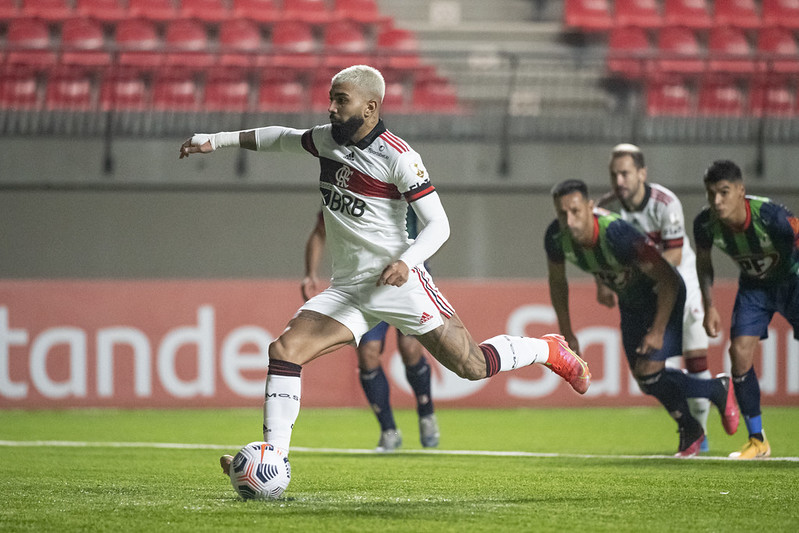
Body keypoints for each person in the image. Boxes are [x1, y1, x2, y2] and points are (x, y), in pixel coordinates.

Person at [179, 65, 591, 470]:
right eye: (331, 100)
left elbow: (440, 225)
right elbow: (280, 138)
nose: (331, 108)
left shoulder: (399, 157)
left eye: (341, 100)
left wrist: (406, 262)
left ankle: (547, 349)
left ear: (370, 107)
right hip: (349, 288)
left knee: (472, 366)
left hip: (398, 284)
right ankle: (273, 460)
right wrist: (216, 140)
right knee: (284, 351)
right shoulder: (326, 140)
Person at [545, 179, 739, 457]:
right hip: (631, 302)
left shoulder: (619, 235)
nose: (569, 221)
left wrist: (658, 330)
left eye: (575, 211)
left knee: (649, 371)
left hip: (663, 295)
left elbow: (668, 279)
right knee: (645, 379)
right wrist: (567, 332)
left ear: (590, 207)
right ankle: (698, 417)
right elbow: (557, 283)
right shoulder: (555, 237)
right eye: (562, 213)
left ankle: (708, 402)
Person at [596, 143, 715, 452]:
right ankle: (709, 401)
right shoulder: (610, 209)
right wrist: (604, 282)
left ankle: (700, 434)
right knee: (649, 372)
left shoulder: (665, 203)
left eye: (625, 173)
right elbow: (598, 247)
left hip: (681, 280)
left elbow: (672, 258)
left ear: (642, 173)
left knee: (695, 357)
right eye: (614, 174)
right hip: (650, 288)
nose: (619, 181)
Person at [301, 210, 440, 451]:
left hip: (407, 274)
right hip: (366, 279)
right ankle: (388, 430)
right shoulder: (342, 193)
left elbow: (435, 223)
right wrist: (310, 274)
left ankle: (426, 413)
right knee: (367, 353)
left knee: (410, 349)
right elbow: (320, 231)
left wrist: (416, 258)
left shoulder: (401, 189)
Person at [694, 160, 799, 459]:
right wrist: (709, 306)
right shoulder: (705, 224)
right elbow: (704, 262)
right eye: (711, 193)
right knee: (738, 353)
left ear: (741, 191)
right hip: (754, 287)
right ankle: (757, 440)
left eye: (724, 192)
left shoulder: (772, 217)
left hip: (793, 281)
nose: (717, 201)